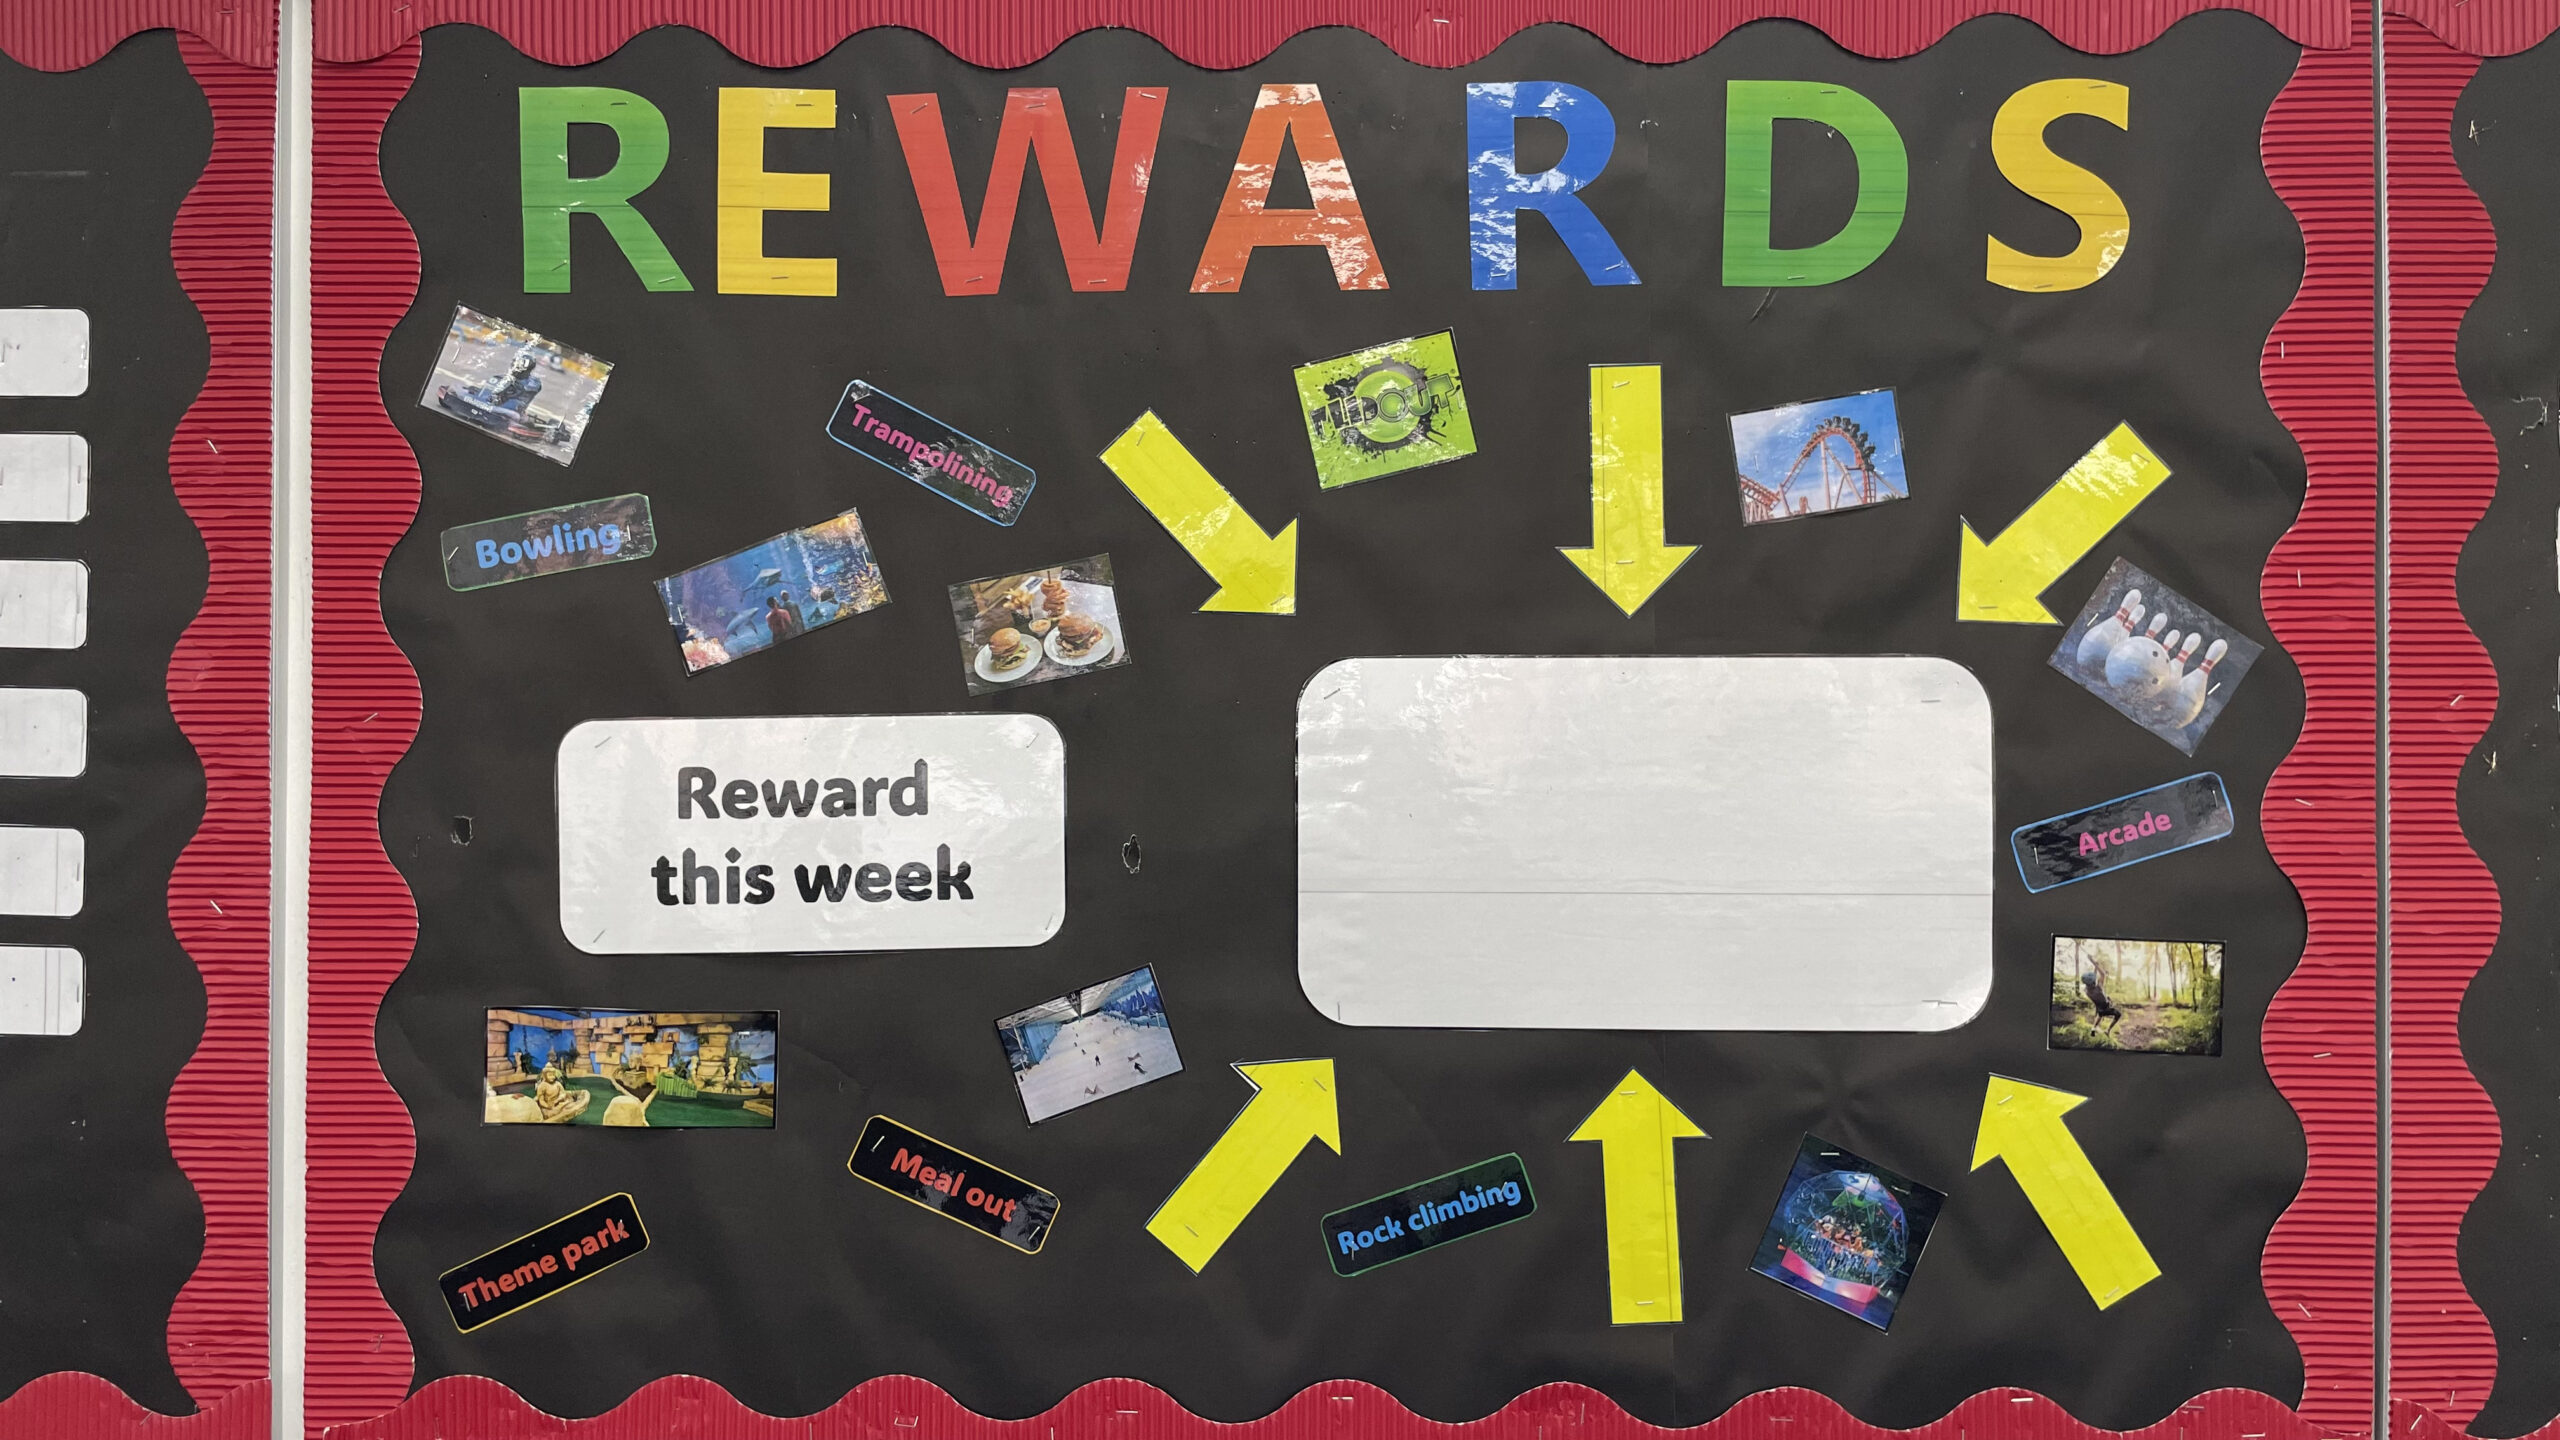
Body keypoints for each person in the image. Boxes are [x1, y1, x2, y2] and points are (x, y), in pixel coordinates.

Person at [2080, 963, 2124, 1035]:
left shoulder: (2086, 991)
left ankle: (2093, 1028)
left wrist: (2095, 968)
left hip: (2098, 1007)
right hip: (2104, 1007)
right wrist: (2096, 965)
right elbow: (2103, 974)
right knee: (2118, 1014)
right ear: (2092, 983)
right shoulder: (2099, 987)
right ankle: (2108, 1030)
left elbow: (2093, 982)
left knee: (2100, 1015)